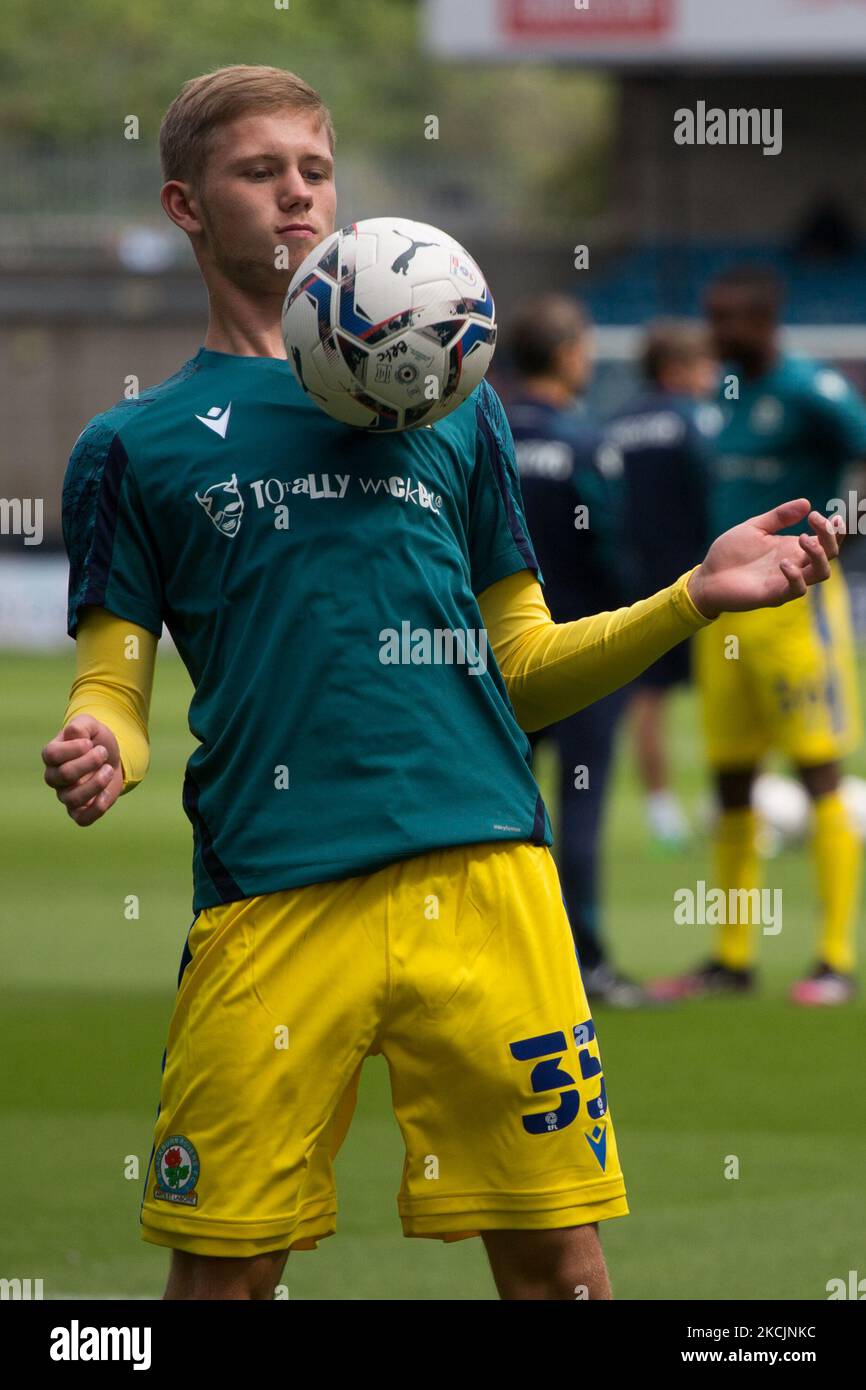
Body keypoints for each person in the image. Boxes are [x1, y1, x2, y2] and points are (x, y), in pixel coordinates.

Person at [41, 68, 840, 1301]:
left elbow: (517, 669)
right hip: (272, 895)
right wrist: (101, 739)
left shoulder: (454, 407)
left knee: (561, 1270)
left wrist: (689, 593)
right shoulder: (132, 446)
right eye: (259, 171)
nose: (297, 194)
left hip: (486, 882)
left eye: (314, 169)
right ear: (186, 205)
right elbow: (114, 683)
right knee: (223, 1277)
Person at [651, 266, 866, 1006]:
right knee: (731, 780)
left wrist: (846, 531)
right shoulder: (723, 394)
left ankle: (834, 960)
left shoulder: (812, 389)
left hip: (797, 610)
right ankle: (733, 958)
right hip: (725, 616)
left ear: (764, 321)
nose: (715, 333)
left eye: (727, 320)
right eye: (709, 318)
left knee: (818, 773)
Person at [506, 294, 649, 1008]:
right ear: (566, 354)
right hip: (583, 654)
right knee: (580, 812)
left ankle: (503, 964)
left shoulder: (481, 434)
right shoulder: (589, 443)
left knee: (504, 816)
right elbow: (615, 547)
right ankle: (584, 961)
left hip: (498, 656)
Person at [605, 320, 716, 850]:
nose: (712, 376)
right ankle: (728, 803)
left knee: (648, 699)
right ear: (676, 370)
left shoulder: (615, 427)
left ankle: (661, 811)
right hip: (706, 581)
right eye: (704, 366)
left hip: (639, 586)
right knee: (724, 691)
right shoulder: (699, 421)